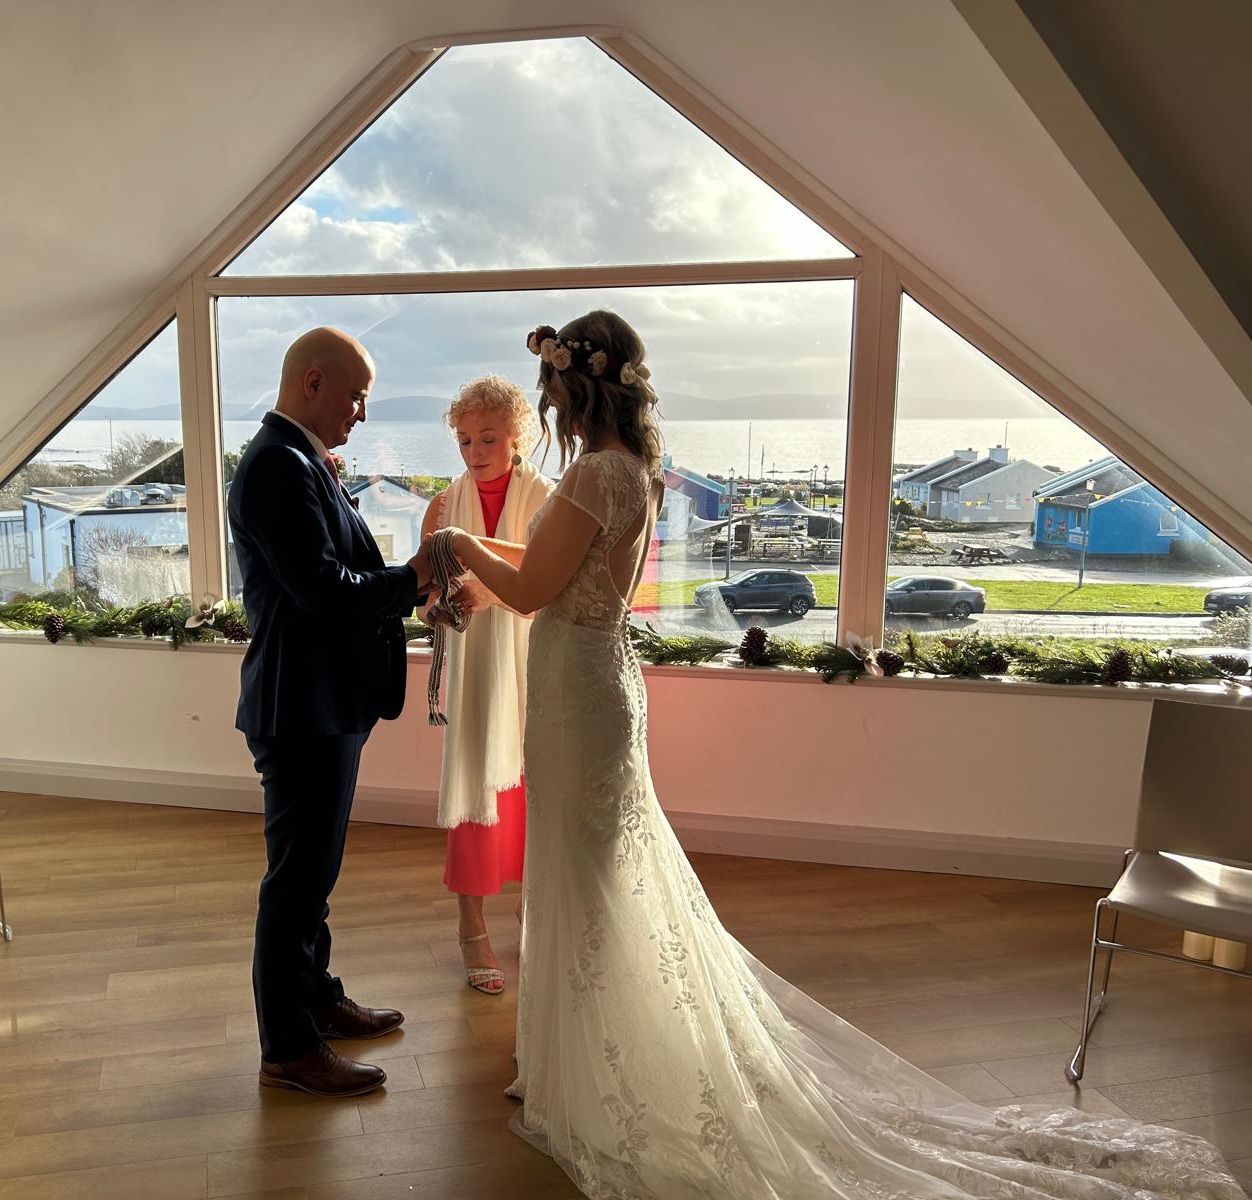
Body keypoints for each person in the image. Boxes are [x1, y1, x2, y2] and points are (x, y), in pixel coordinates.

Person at [441, 311, 1240, 1199]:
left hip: (573, 692)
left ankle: (591, 1063)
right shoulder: (636, 472)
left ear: (569, 390)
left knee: (584, 873)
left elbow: (531, 586)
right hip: (599, 680)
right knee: (597, 870)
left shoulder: (593, 472)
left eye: (549, 393)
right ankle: (574, 1050)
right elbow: (556, 563)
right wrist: (489, 558)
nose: (549, 405)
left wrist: (458, 542)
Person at [228, 327, 433, 1099]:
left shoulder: (297, 458)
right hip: (300, 705)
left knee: (315, 874)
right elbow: (323, 591)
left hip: (324, 701)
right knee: (296, 881)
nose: (363, 413)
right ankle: (287, 1046)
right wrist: (413, 579)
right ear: (313, 383)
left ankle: (316, 997)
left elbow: (342, 572)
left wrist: (408, 584)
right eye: (357, 395)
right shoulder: (277, 467)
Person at [420, 376, 552, 994]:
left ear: (518, 435)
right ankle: (471, 928)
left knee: (534, 791)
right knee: (475, 788)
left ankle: (535, 910)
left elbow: (550, 574)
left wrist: (490, 590)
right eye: (465, 439)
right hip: (474, 670)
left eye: (488, 439)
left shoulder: (548, 497)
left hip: (533, 663)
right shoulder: (444, 507)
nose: (475, 452)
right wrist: (436, 608)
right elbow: (424, 590)